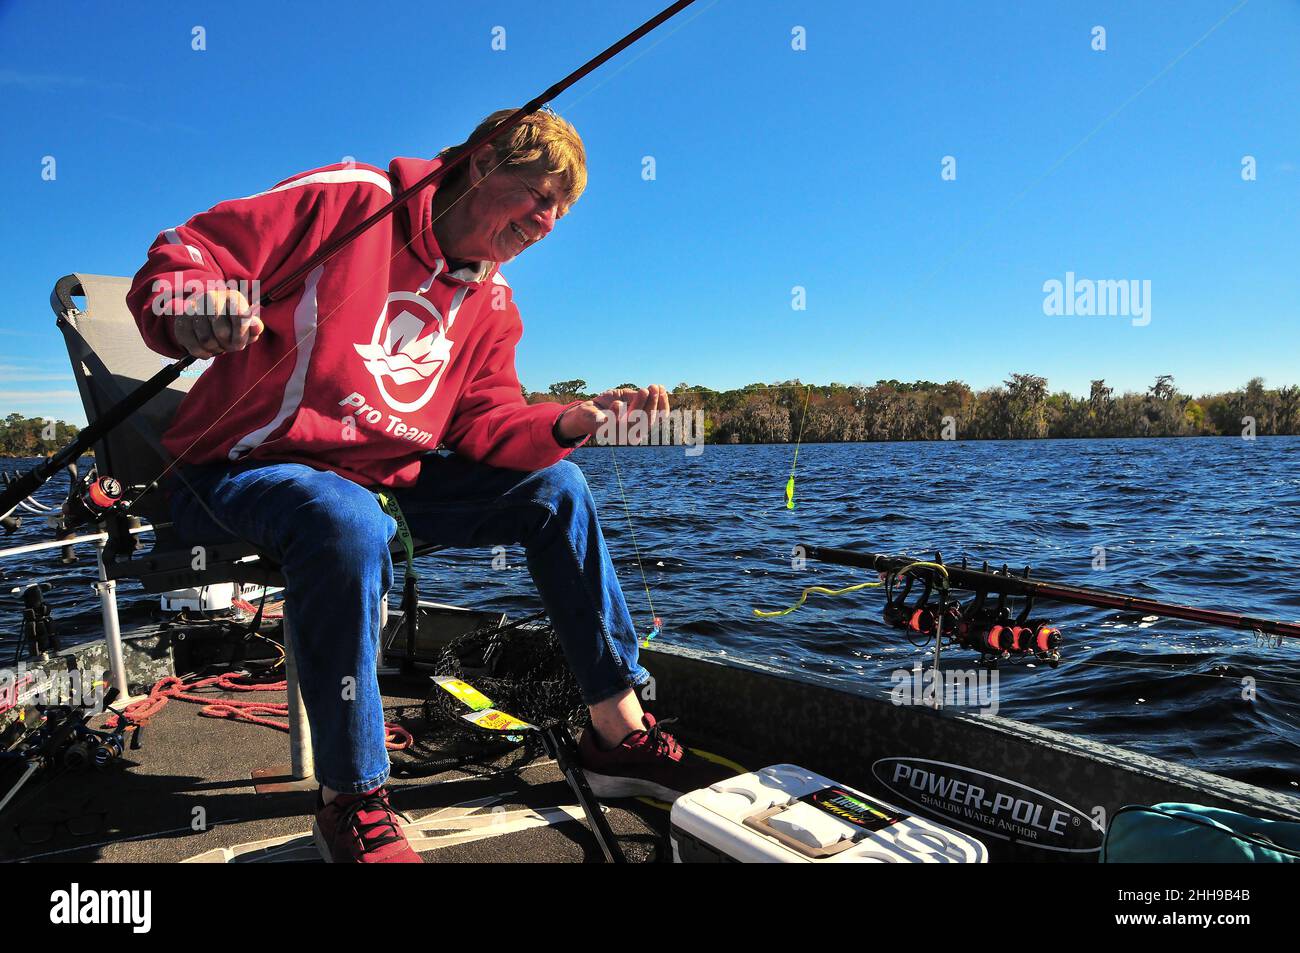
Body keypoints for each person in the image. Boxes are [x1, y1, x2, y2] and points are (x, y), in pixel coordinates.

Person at [127, 108, 728, 863]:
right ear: (481, 165)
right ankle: (351, 799)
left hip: (376, 481)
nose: (547, 223)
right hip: (239, 469)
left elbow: (488, 424)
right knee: (344, 519)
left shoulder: (493, 301)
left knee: (558, 488)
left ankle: (618, 735)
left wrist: (572, 422)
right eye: (540, 197)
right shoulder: (350, 202)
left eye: (561, 213)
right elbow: (186, 255)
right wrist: (195, 304)